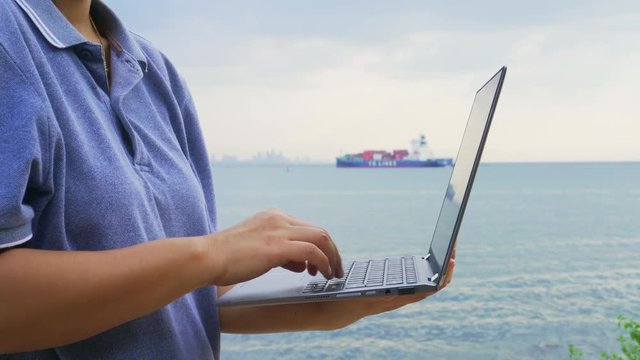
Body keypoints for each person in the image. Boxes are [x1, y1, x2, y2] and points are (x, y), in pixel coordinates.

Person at [0, 0, 456, 358]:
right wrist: (214, 253)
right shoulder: (9, 38)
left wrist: (331, 304)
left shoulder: (153, 69)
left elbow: (184, 289)